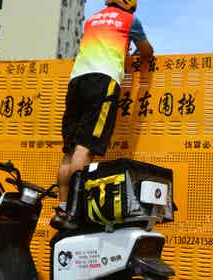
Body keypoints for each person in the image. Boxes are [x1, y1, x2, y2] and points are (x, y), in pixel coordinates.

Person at [51, 0, 153, 230]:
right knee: (85, 148)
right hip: (102, 80)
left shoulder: (91, 20)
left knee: (69, 151)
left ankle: (63, 208)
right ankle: (75, 214)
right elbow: (147, 52)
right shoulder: (130, 20)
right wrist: (134, 52)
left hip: (76, 81)